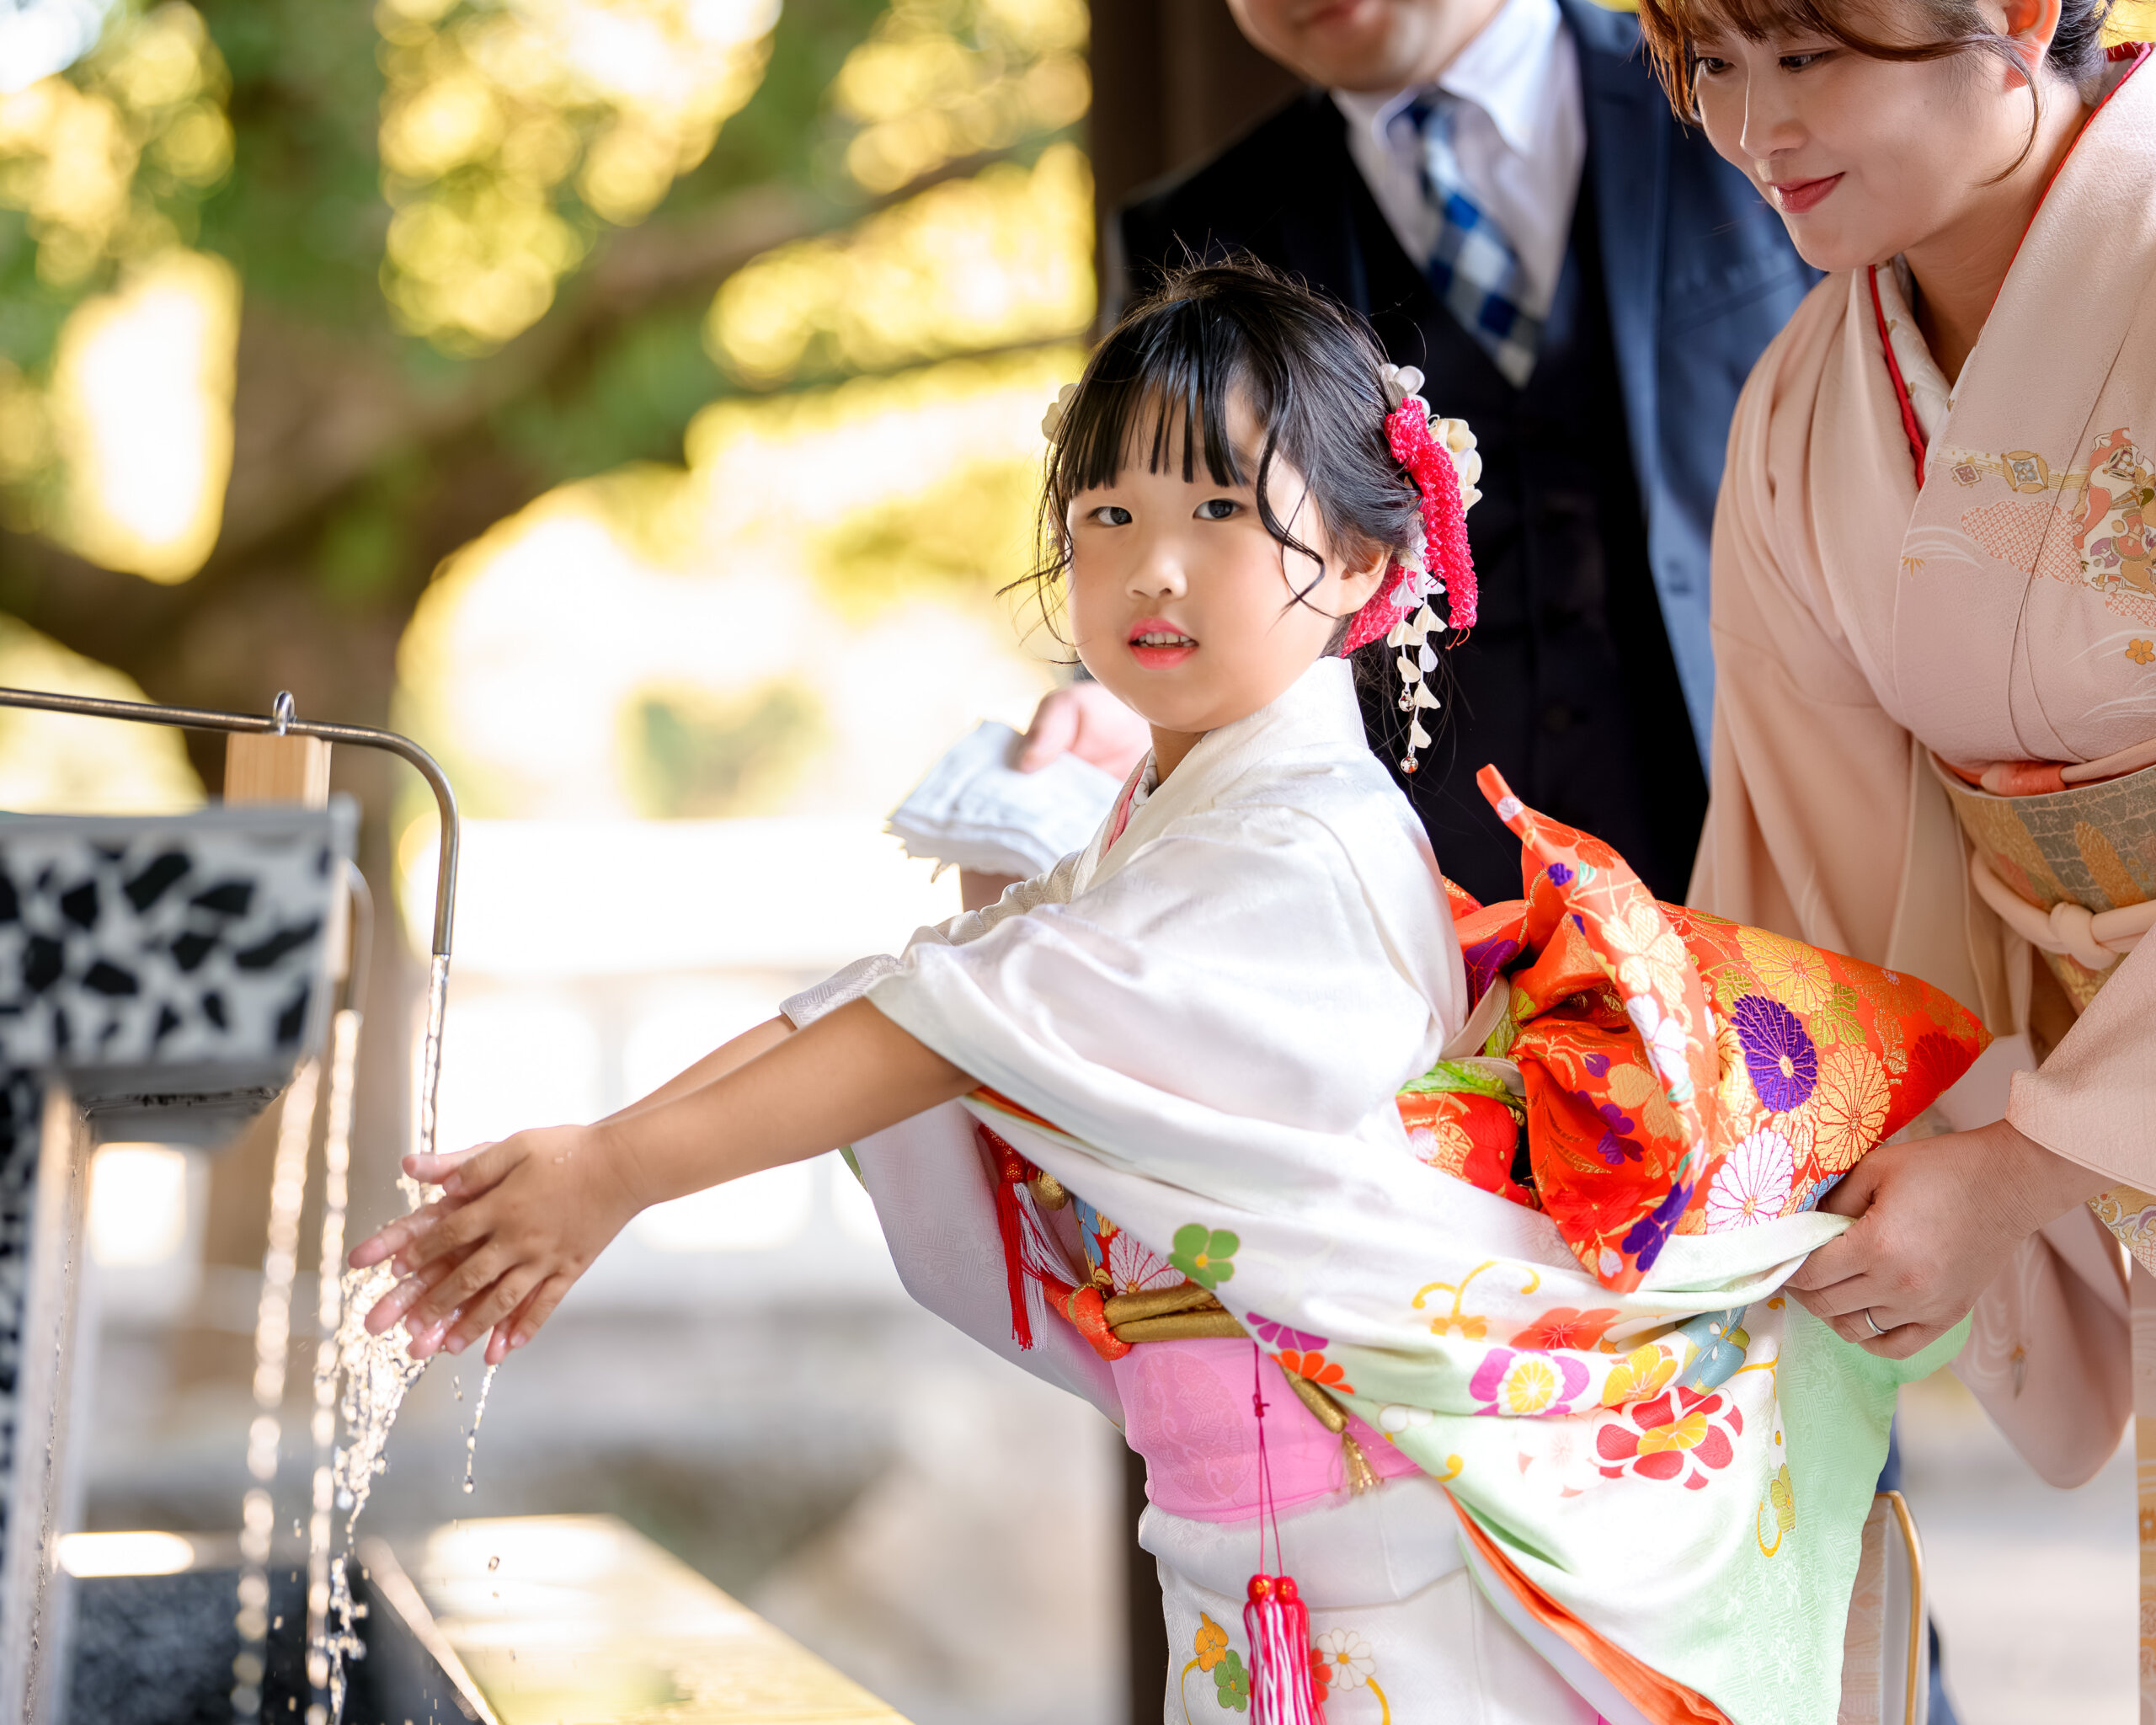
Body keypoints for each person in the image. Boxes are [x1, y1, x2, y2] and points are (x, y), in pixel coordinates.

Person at [349, 265, 1983, 1724]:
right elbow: (934, 989)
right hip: (1269, 1547)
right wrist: (606, 1160)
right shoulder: (1196, 827)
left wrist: (621, 1168)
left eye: (1217, 510)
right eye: (1105, 516)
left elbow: (935, 1019)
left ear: (1356, 562)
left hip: (1395, 1569)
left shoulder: (1286, 848)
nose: (1152, 563)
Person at [1634, 0, 2155, 1689]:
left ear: (2010, 14)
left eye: (1807, 57)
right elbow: (1810, 875)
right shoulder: (1801, 414)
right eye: (1711, 67)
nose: (1751, 126)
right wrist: (1749, 1183)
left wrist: (2027, 1166)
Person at [1008, 0, 1816, 911]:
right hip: (1415, 889)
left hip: (1768, 826)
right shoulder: (1197, 226)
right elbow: (1150, 507)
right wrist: (1119, 700)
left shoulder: (1753, 78)